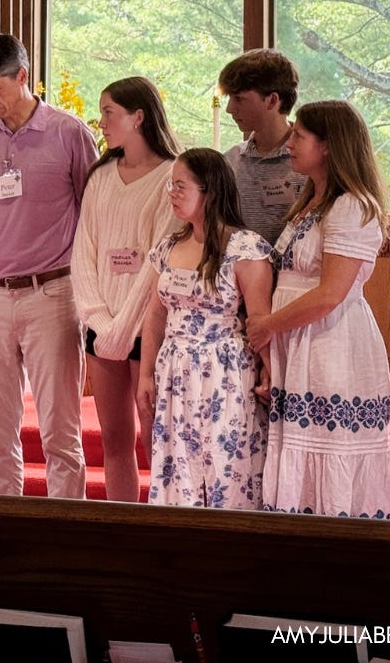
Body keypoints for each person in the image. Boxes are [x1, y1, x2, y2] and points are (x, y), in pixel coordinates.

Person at [0, 34, 98, 498]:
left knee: (61, 433)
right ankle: (3, 530)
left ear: (23, 76)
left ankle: (66, 535)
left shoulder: (70, 132)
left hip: (53, 294)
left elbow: (92, 211)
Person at [246, 100, 390, 518]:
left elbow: (331, 292)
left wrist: (266, 326)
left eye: (299, 135)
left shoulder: (351, 205)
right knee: (299, 444)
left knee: (327, 447)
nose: (290, 142)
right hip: (299, 341)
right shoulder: (310, 201)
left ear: (329, 145)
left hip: (330, 342)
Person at [137, 148, 273, 508]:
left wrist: (270, 371)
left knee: (224, 464)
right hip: (175, 370)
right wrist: (145, 375)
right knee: (178, 463)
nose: (172, 194)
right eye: (171, 186)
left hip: (224, 371)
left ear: (209, 191)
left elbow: (261, 319)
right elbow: (154, 316)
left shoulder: (244, 247)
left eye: (181, 186)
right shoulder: (168, 246)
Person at [71, 76, 179, 502]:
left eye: (108, 112)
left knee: (156, 440)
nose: (101, 122)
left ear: (138, 117)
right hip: (102, 328)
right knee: (114, 441)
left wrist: (123, 330)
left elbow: (158, 262)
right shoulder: (100, 177)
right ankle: (124, 526)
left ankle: (163, 527)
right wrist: (99, 322)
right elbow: (84, 254)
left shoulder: (172, 176)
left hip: (147, 329)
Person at [218, 48, 306, 246]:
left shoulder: (309, 162)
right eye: (229, 99)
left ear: (272, 100)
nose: (229, 109)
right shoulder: (229, 162)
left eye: (238, 98)